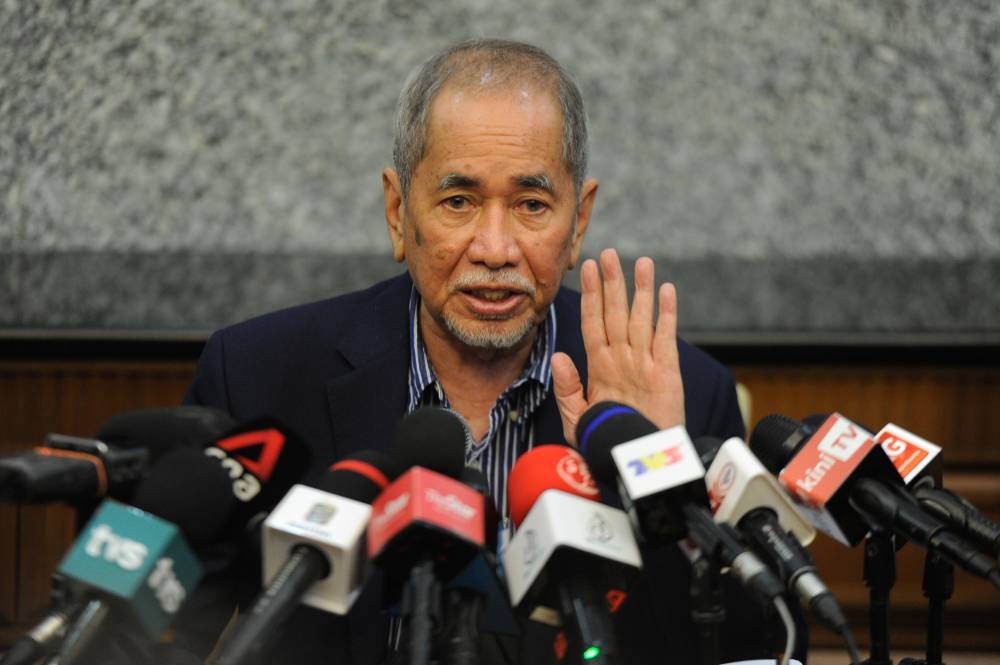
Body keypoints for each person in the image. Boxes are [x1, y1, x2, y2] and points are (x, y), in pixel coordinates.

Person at [185, 38, 788, 664]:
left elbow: (742, 648)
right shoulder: (258, 376)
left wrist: (655, 484)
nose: (495, 249)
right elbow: (160, 632)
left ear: (578, 221)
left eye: (531, 205)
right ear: (398, 214)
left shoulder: (686, 392)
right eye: (459, 202)